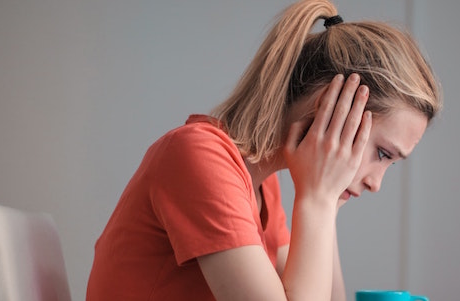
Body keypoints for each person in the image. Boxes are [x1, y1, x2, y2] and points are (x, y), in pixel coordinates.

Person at [86, 0, 441, 300]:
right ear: (328, 111)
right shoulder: (198, 155)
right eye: (382, 154)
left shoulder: (260, 184)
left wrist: (327, 205)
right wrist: (316, 200)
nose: (377, 182)